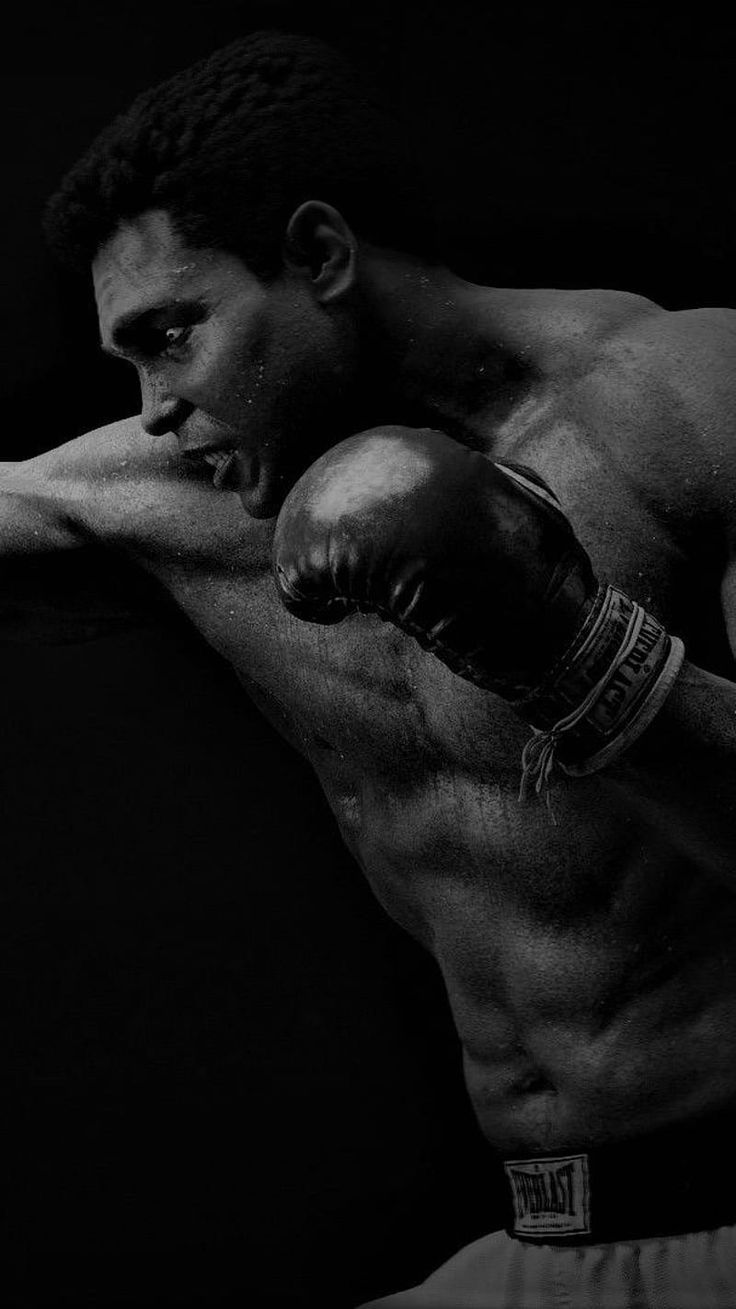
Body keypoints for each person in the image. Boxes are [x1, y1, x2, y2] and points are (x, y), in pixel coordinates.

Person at [4, 27, 736, 1307]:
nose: (152, 407)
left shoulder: (685, 403)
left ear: (322, 256)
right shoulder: (170, 492)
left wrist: (570, 656)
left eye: (172, 335)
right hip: (543, 1244)